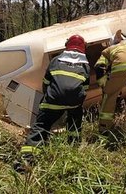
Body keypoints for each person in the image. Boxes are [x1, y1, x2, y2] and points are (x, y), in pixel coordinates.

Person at [18, 34, 90, 169]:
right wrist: (74, 101)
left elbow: (46, 82)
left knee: (41, 127)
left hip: (53, 100)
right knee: (75, 121)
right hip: (74, 102)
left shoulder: (56, 60)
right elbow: (85, 88)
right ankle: (73, 151)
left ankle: (27, 161)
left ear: (67, 46)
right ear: (82, 48)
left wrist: (49, 98)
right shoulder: (85, 65)